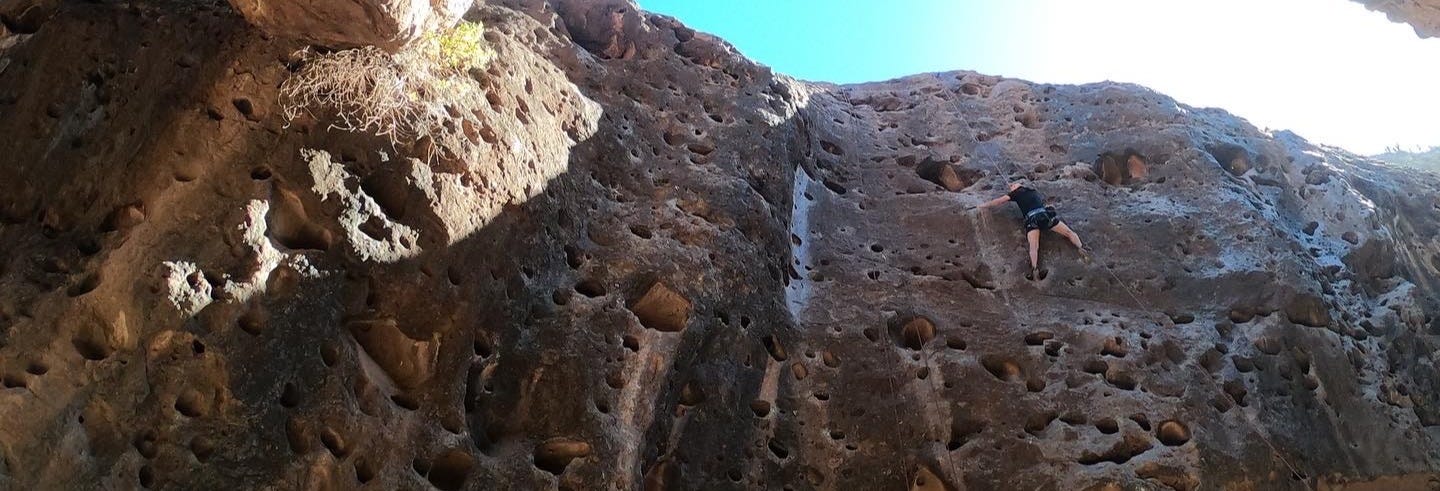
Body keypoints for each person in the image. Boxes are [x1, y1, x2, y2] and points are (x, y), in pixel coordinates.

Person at [976, 181, 1088, 280]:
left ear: (1016, 187)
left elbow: (999, 201)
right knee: (1069, 232)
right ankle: (1081, 248)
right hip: (1045, 216)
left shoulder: (1016, 193)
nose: (1011, 186)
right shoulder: (1032, 191)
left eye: (1012, 186)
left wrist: (983, 205)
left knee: (1034, 247)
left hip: (1032, 219)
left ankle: (1034, 270)